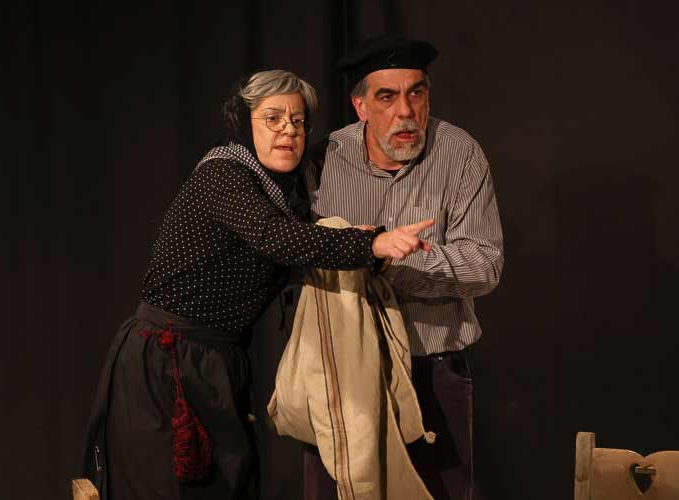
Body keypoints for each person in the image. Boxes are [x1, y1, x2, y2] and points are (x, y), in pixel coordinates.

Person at [81, 69, 433, 500]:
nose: (289, 130)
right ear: (243, 124)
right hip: (166, 361)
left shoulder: (277, 195)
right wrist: (372, 243)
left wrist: (349, 239)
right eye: (273, 118)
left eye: (298, 121)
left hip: (219, 362)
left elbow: (294, 249)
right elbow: (276, 238)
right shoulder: (223, 174)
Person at [304, 35, 504, 500]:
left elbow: (485, 264)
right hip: (341, 370)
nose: (406, 111)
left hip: (431, 371)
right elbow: (299, 254)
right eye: (387, 97)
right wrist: (370, 251)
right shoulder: (324, 160)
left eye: (417, 93)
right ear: (360, 106)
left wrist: (392, 263)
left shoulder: (459, 154)